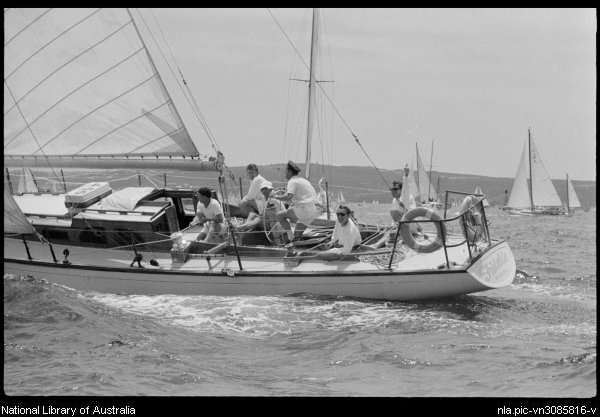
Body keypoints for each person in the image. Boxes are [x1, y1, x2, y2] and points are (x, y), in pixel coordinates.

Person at [271, 160, 319, 247]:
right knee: (296, 238)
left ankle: (289, 236)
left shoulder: (291, 182)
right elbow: (290, 194)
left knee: (279, 215)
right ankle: (293, 244)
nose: (285, 173)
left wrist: (274, 196)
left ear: (289, 172)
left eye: (286, 171)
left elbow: (289, 196)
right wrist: (280, 195)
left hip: (304, 210)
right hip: (313, 211)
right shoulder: (304, 181)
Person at [231, 181, 285, 245]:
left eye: (266, 189)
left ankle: (240, 229)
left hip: (279, 224)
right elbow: (264, 213)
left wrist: (260, 218)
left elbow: (272, 215)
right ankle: (243, 230)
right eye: (262, 189)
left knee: (258, 219)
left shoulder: (273, 199)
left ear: (270, 189)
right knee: (252, 214)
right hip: (271, 221)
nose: (264, 191)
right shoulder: (264, 198)